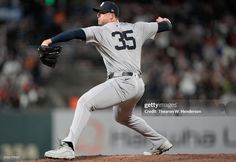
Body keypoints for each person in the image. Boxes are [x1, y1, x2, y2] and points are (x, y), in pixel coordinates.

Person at [41, 1, 173, 159]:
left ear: (112, 15)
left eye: (101, 13)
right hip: (137, 84)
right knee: (122, 117)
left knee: (84, 102)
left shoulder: (100, 31)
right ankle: (160, 142)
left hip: (122, 82)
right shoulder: (138, 27)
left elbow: (76, 33)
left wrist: (50, 40)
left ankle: (68, 145)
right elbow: (167, 26)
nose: (98, 15)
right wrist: (164, 21)